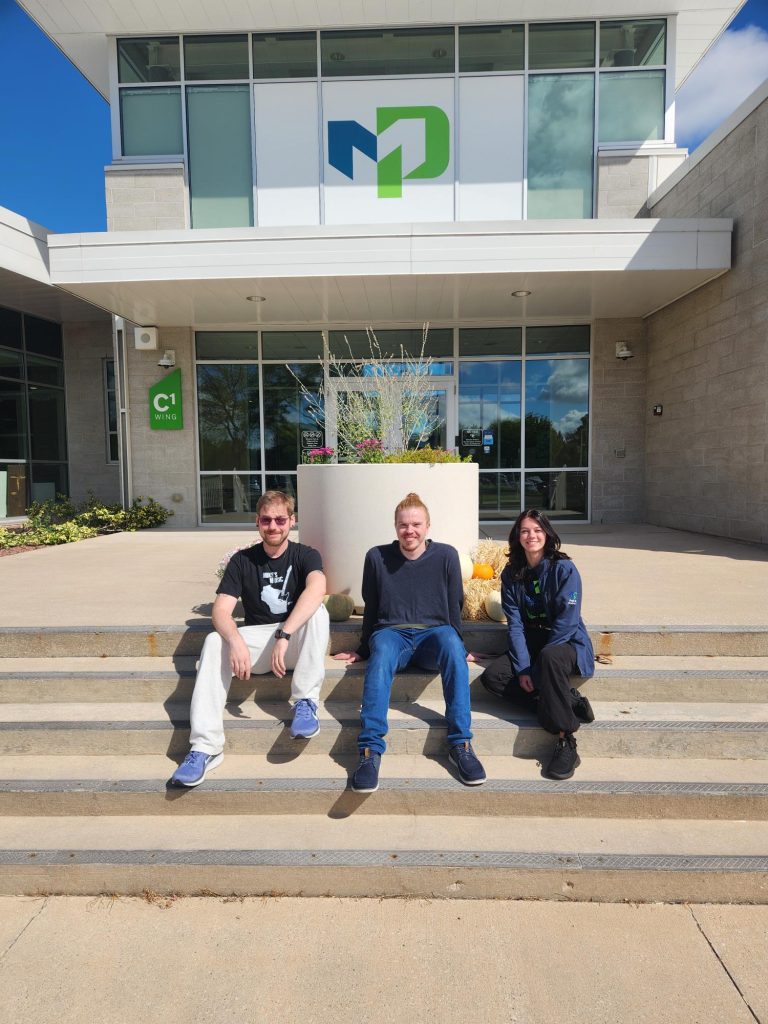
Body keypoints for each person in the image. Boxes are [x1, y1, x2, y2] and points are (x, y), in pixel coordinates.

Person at [170, 490, 329, 787]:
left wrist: (284, 634)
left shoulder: (306, 555)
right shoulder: (242, 561)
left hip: (293, 645)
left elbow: (317, 588)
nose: (273, 526)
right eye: (266, 520)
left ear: (291, 521)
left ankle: (305, 703)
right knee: (214, 641)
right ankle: (206, 747)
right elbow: (220, 610)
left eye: (280, 519)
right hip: (257, 649)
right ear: (257, 523)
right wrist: (236, 640)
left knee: (318, 611)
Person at [334, 492, 485, 793]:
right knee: (382, 654)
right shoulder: (377, 557)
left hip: (435, 635)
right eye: (403, 525)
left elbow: (455, 604)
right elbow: (372, 606)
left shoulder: (445, 556)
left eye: (416, 524)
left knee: (451, 645)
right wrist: (363, 648)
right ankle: (369, 751)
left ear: (428, 526)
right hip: (393, 634)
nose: (409, 531)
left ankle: (461, 744)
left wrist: (460, 646)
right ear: (395, 527)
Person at [478, 509, 595, 781]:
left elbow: (567, 621)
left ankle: (567, 740)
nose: (532, 536)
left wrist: (539, 665)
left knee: (551, 657)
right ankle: (567, 700)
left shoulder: (564, 569)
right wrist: (522, 668)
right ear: (517, 537)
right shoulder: (511, 574)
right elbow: (515, 625)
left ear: (547, 534)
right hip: (532, 638)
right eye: (525, 531)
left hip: (564, 640)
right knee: (494, 678)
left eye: (537, 530)